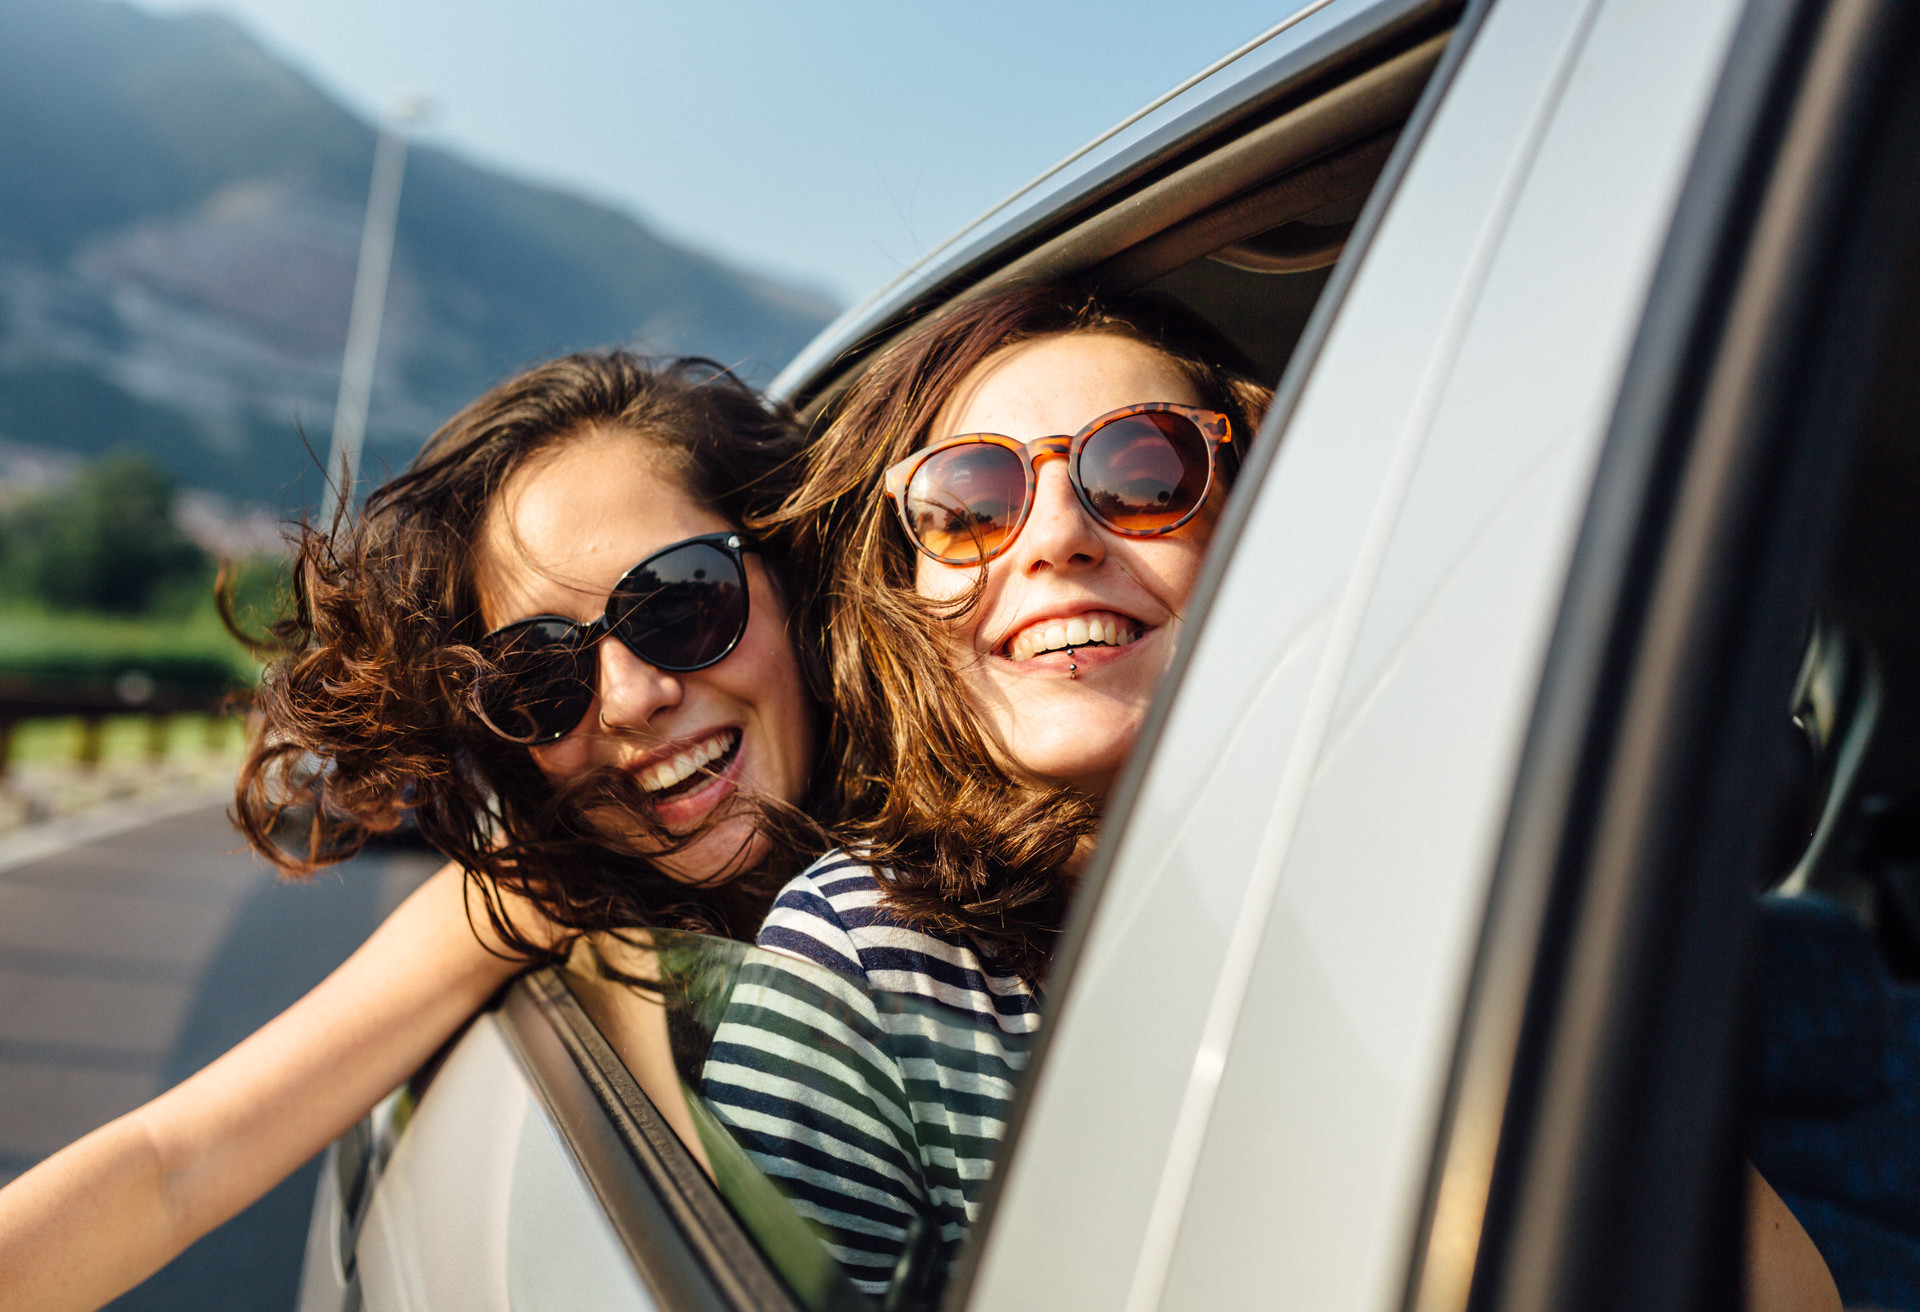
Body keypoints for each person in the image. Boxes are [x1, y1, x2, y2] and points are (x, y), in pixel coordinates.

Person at [691, 285, 1845, 1312]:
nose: (1051, 538)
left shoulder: (1436, 890)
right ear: (908, 588)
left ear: (1266, 535)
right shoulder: (862, 949)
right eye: (969, 499)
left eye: (1143, 473)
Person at [0, 352, 826, 1312]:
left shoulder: (1010, 830)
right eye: (539, 676)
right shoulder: (549, 891)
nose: (635, 698)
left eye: (682, 602)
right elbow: (175, 1163)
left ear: (794, 572)